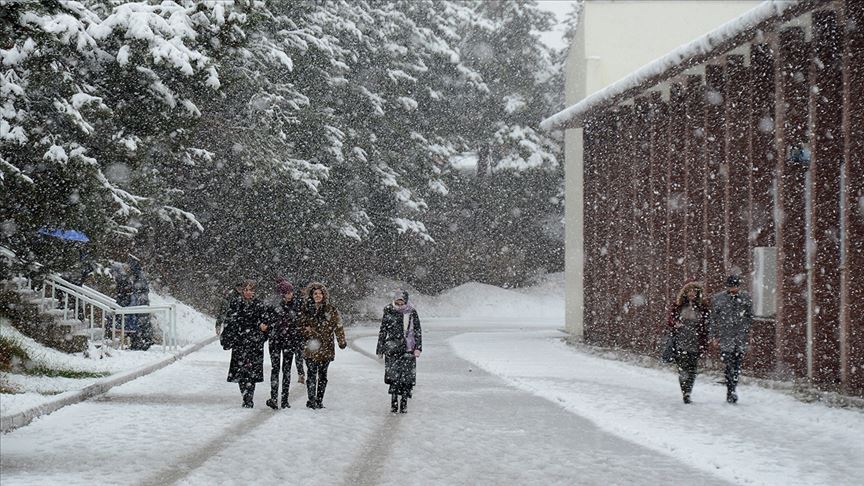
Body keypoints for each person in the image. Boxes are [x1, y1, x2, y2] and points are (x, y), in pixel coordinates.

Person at [300, 282, 346, 409]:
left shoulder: (331, 309)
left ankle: (319, 400)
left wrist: (341, 340)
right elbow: (299, 325)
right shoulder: (305, 309)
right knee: (311, 374)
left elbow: (338, 326)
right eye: (315, 293)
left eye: (320, 293)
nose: (318, 295)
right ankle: (311, 400)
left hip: (326, 346)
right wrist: (306, 330)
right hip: (311, 346)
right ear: (311, 295)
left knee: (323, 375)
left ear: (324, 295)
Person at [224, 280, 269, 408]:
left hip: (254, 343)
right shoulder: (236, 304)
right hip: (240, 342)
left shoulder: (259, 305)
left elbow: (265, 323)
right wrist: (231, 336)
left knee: (252, 373)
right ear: (242, 291)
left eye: (251, 290)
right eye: (246, 290)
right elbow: (230, 321)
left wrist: (261, 333)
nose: (248, 292)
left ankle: (249, 397)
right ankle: (245, 396)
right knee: (241, 372)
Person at [710, 274, 754, 404]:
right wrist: (714, 336)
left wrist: (747, 331)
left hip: (740, 337)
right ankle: (730, 390)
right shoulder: (718, 299)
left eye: (735, 287)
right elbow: (713, 319)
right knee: (728, 365)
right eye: (731, 287)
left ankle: (733, 387)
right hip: (725, 337)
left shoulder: (746, 298)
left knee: (737, 364)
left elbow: (749, 316)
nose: (733, 289)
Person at [376, 290, 422, 413]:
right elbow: (383, 330)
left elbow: (417, 330)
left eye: (402, 299)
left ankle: (404, 402)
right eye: (397, 299)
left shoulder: (412, 312)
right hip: (392, 349)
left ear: (406, 300)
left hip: (409, 349)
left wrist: (418, 347)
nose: (399, 302)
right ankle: (394, 402)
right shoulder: (389, 311)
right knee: (393, 377)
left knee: (406, 378)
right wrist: (380, 348)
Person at [667, 280, 710, 404]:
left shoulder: (703, 308)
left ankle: (688, 390)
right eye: (689, 292)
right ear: (685, 293)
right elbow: (670, 320)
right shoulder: (678, 306)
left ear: (698, 294)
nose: (691, 294)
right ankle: (685, 392)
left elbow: (706, 325)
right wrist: (676, 324)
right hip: (681, 340)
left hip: (696, 341)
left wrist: (705, 338)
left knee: (693, 369)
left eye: (694, 292)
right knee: (683, 369)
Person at [264, 279, 305, 410]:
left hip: (290, 342)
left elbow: (300, 323)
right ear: (281, 294)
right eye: (286, 292)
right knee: (275, 369)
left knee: (286, 370)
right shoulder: (272, 306)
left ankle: (285, 399)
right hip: (275, 341)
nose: (289, 294)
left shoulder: (297, 305)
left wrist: (298, 338)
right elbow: (267, 322)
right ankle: (274, 398)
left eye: (291, 291)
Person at [128, 257, 153, 350]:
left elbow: (139, 288)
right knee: (142, 323)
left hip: (141, 302)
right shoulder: (138, 275)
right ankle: (142, 341)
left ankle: (143, 341)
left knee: (141, 323)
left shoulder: (139, 276)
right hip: (141, 302)